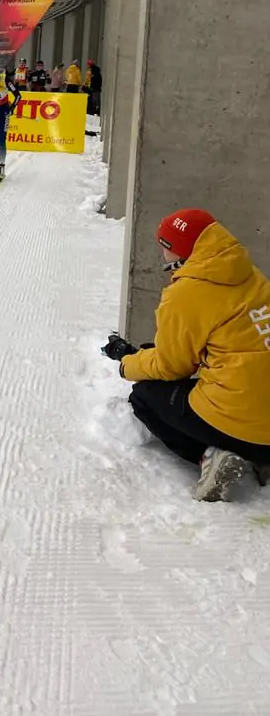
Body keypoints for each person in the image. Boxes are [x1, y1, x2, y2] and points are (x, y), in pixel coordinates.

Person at [103, 209, 270, 502]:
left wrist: (127, 364)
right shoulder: (249, 275)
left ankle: (210, 457)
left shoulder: (187, 292)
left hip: (245, 428)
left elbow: (172, 367)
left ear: (176, 249)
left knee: (145, 396)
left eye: (164, 248)